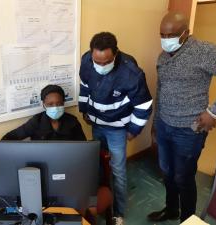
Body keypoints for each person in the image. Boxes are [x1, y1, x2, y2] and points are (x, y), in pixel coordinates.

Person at [148, 12, 216, 223]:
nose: (165, 39)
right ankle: (171, 209)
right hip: (164, 125)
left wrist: (213, 111)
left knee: (184, 177)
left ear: (185, 33)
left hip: (189, 130)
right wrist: (155, 123)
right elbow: (160, 91)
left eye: (170, 34)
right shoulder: (162, 57)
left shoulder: (204, 51)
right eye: (162, 34)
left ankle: (187, 219)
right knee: (167, 173)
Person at [79, 32, 152, 225]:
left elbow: (144, 106)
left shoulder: (132, 73)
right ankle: (102, 201)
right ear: (91, 54)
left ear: (116, 54)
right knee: (97, 165)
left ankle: (118, 213)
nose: (101, 66)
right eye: (97, 61)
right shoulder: (87, 61)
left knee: (118, 170)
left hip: (117, 128)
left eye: (106, 62)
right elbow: (84, 86)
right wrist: (84, 109)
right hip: (97, 124)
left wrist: (133, 130)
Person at [2, 84, 86, 141]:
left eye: (59, 103)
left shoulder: (72, 121)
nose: (55, 107)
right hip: (41, 161)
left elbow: (84, 145)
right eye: (50, 104)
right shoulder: (36, 121)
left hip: (66, 160)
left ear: (63, 103)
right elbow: (9, 137)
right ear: (44, 105)